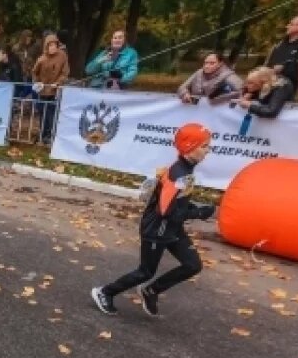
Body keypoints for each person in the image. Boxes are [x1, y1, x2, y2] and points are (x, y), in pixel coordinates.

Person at [91, 123, 217, 317]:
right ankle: (105, 292)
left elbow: (178, 203)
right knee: (145, 272)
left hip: (172, 228)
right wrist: (198, 213)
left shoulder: (186, 170)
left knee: (193, 265)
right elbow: (166, 210)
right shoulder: (179, 174)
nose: (208, 151)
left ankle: (151, 291)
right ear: (190, 147)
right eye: (204, 146)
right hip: (156, 229)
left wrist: (197, 209)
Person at [265, 14, 298, 93]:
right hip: (269, 84)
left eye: (291, 24)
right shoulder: (280, 41)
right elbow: (268, 62)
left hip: (292, 88)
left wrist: (284, 68)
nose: (287, 26)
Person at [31, 33, 69, 144]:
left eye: (54, 45)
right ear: (46, 46)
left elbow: (65, 72)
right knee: (43, 113)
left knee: (52, 114)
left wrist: (58, 83)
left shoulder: (62, 56)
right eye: (50, 45)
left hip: (55, 91)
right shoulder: (41, 59)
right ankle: (42, 134)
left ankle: (49, 135)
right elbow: (34, 72)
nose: (52, 47)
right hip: (43, 91)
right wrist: (38, 83)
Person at [177, 52, 243, 104]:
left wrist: (220, 100)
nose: (207, 66)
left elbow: (242, 90)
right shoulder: (199, 72)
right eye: (206, 63)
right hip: (196, 109)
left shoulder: (227, 75)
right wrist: (185, 94)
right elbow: (182, 87)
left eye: (212, 63)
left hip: (217, 111)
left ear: (220, 64)